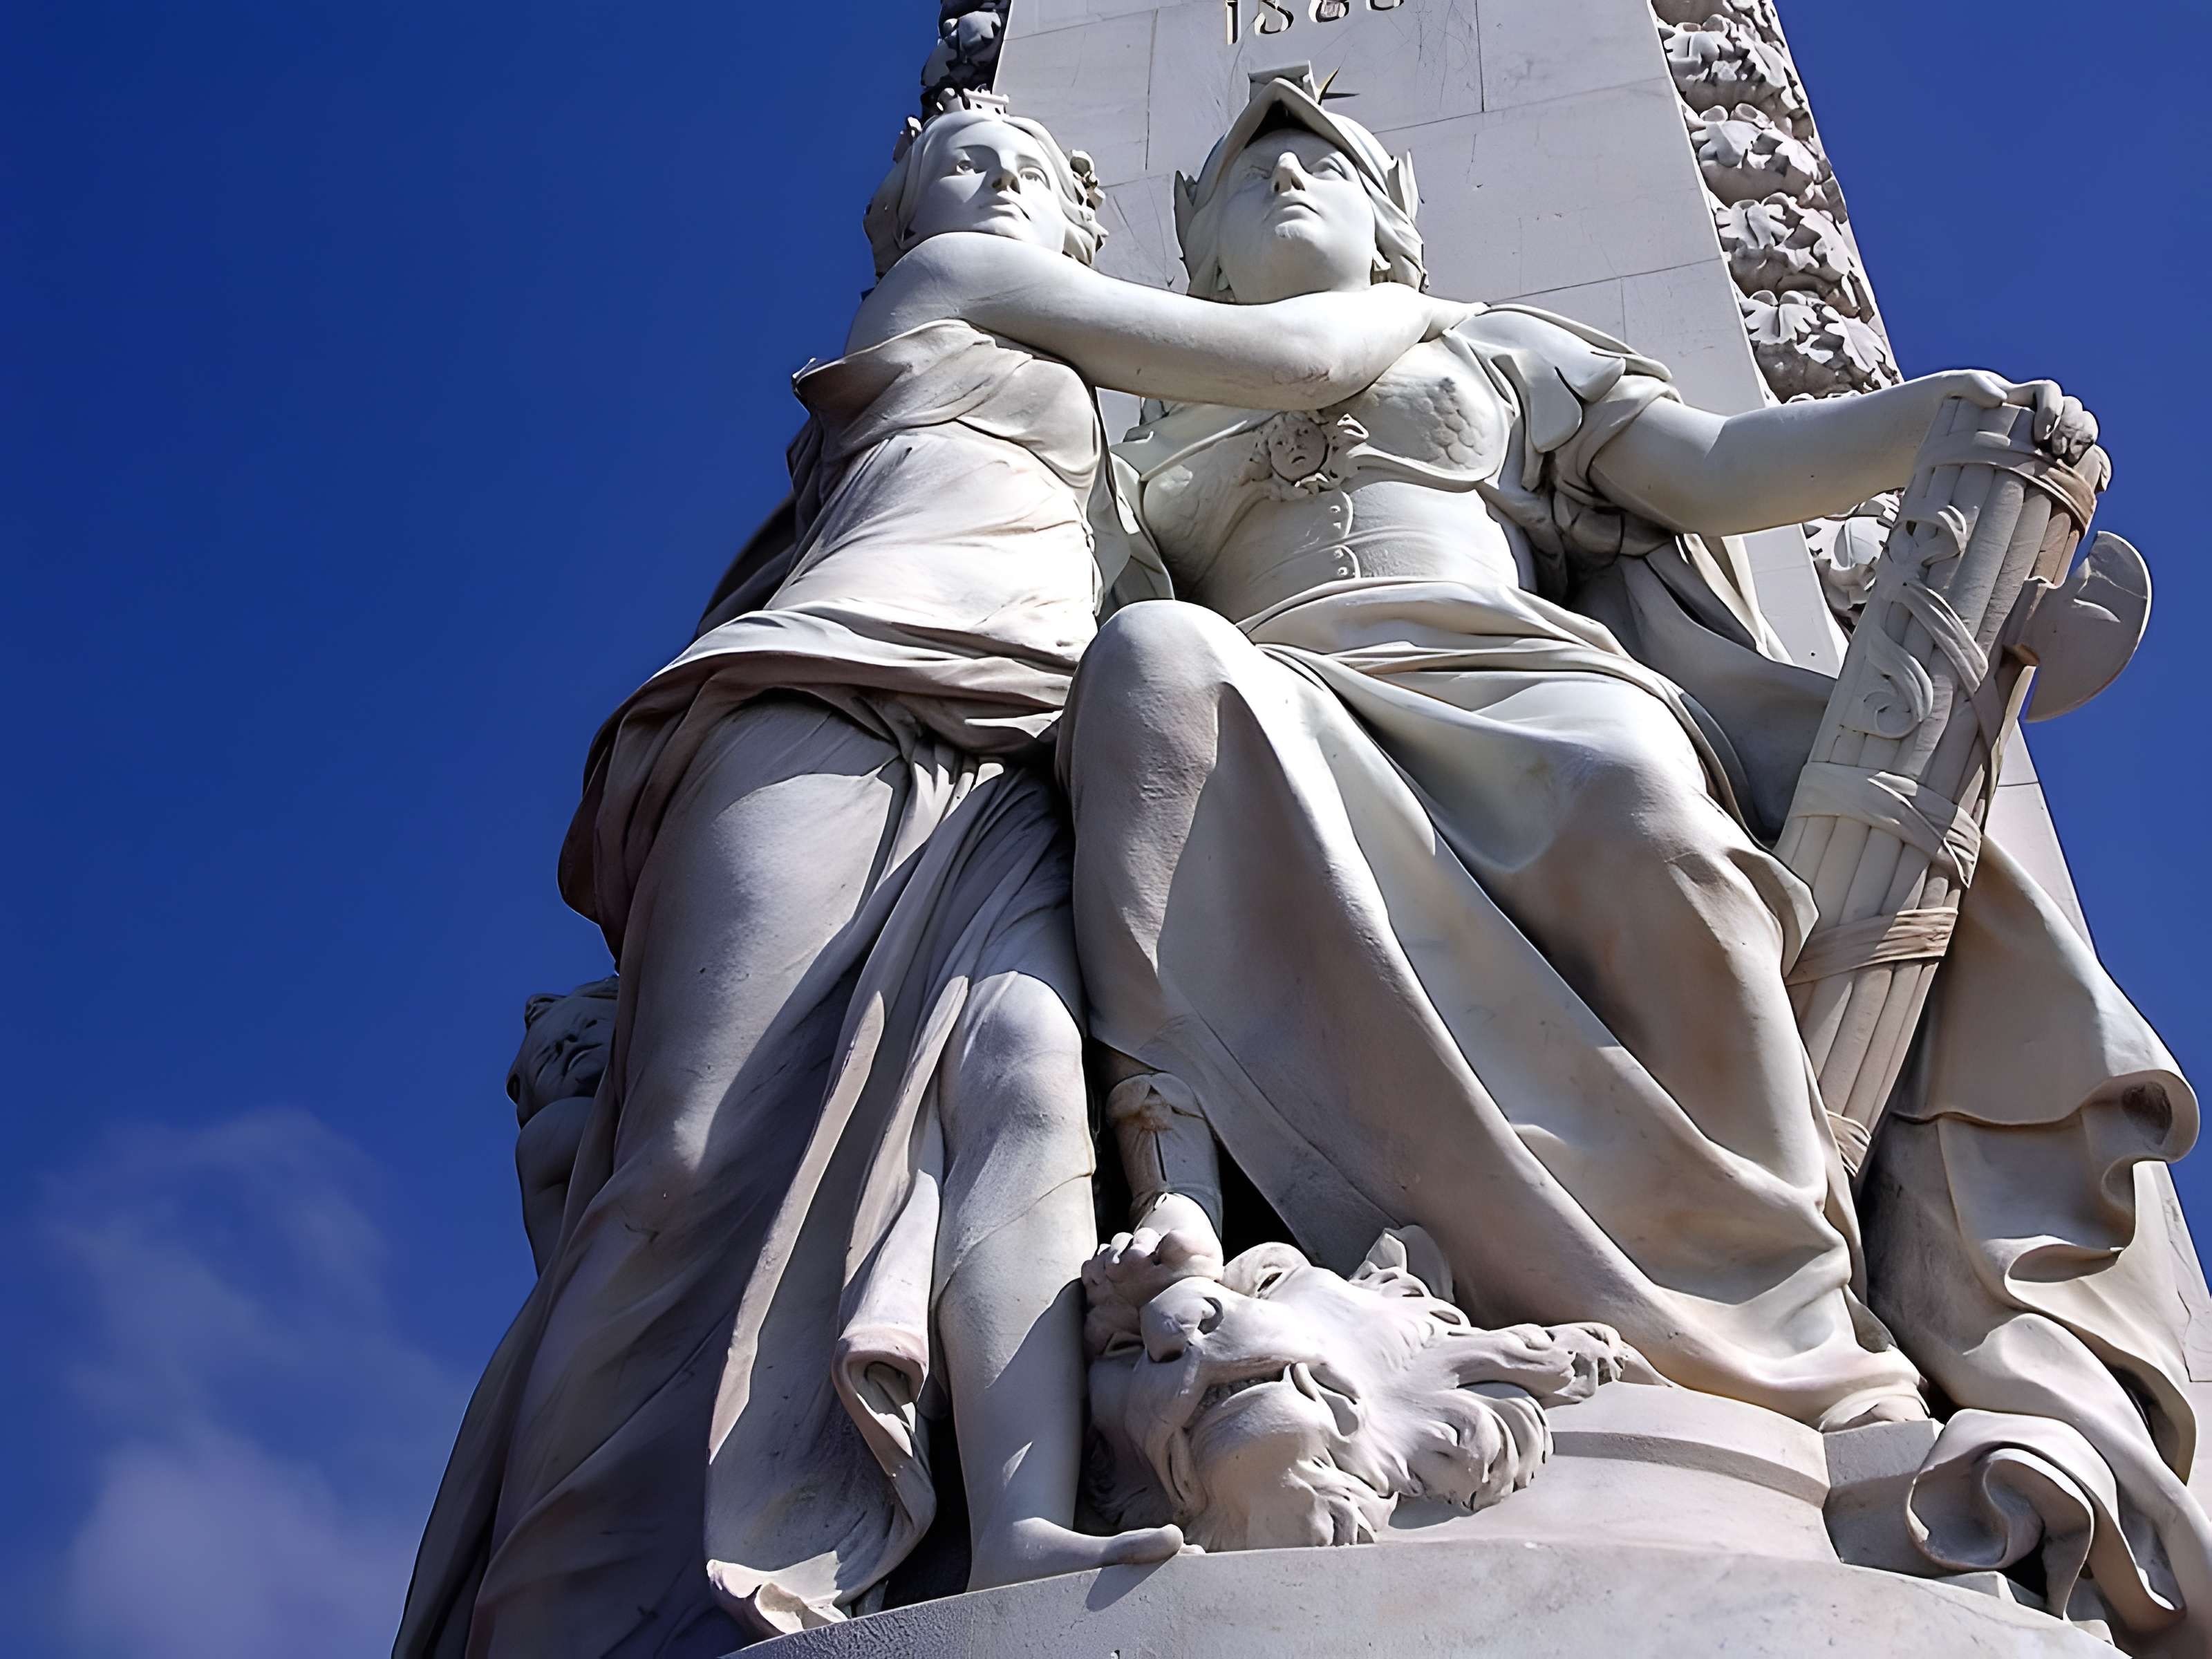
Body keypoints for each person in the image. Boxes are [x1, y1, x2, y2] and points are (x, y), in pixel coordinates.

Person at [1060, 72, 2210, 1642]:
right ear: (1192, 237)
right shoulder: (1135, 420)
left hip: (1515, 673)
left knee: (1646, 819)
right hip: (1277, 693)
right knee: (1151, 671)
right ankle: (1179, 1223)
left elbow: (1720, 464)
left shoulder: (1486, 345)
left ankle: (1790, 1316)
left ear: (1391, 213)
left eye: (1320, 164)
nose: (1288, 182)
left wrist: (1929, 420)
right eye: (1253, 173)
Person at [395, 88, 1467, 1656]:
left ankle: (1023, 1515)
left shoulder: (1120, 437)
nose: (997, 181)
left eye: (1030, 167)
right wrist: (1439, 314)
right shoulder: (952, 284)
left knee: (1024, 1080)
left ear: (1083, 214)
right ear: (903, 221)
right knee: (689, 1154)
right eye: (963, 164)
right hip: (837, 695)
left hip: (1022, 754)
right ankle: (567, 1603)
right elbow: (1299, 364)